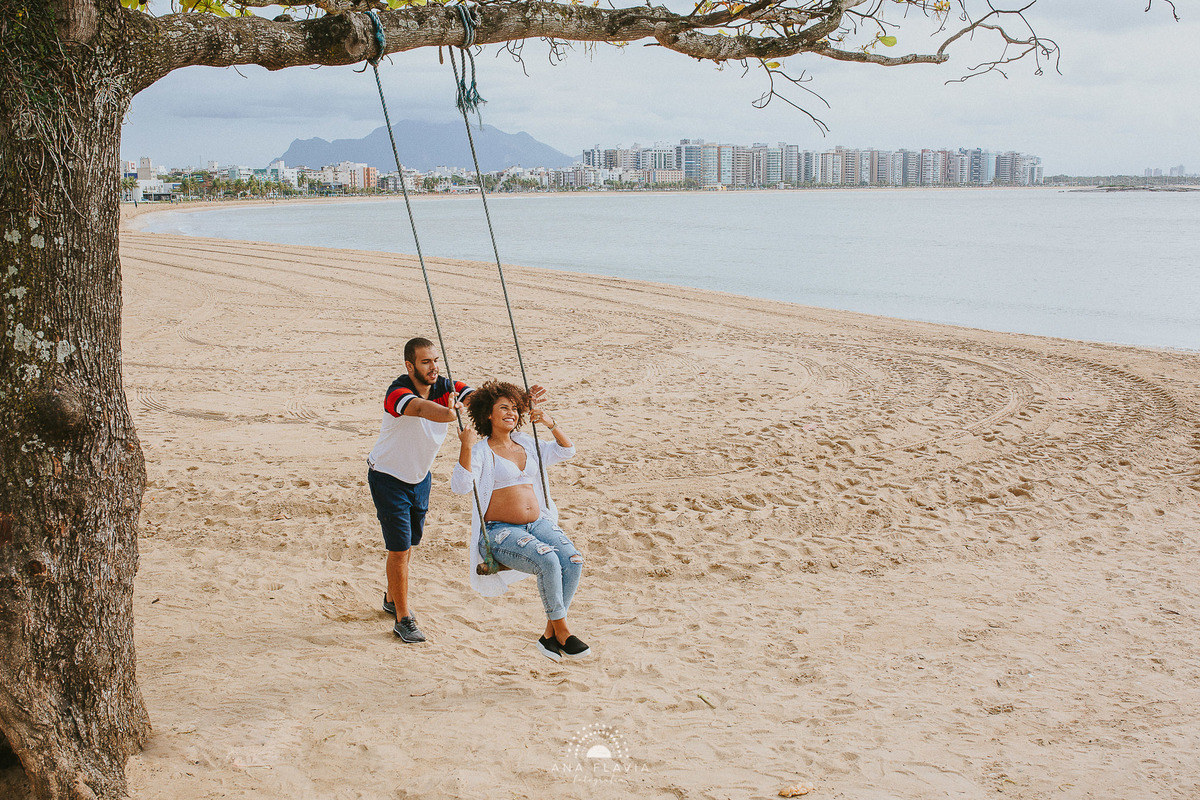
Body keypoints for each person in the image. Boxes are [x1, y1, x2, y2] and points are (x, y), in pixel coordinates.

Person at [451, 381, 590, 661]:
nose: (511, 413)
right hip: (499, 531)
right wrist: (465, 447)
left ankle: (549, 635)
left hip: (537, 523)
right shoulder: (481, 451)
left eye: (515, 408)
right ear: (488, 415)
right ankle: (562, 631)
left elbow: (566, 450)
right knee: (548, 559)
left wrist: (551, 423)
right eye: (503, 408)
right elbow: (461, 486)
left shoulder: (526, 442)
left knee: (573, 560)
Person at [367, 337, 472, 643]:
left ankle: (390, 597)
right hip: (388, 478)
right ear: (410, 365)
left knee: (411, 543)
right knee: (399, 550)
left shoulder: (446, 385)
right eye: (426, 362)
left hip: (420, 479)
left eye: (436, 360)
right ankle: (403, 618)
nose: (434, 367)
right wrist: (454, 411)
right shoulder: (397, 393)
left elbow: (478, 398)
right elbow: (432, 412)